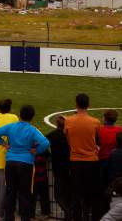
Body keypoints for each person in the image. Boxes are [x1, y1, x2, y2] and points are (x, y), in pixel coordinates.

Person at [0, 105, 50, 221]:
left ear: (20, 115)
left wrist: (4, 144)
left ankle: (9, 217)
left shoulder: (11, 126)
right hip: (26, 163)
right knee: (25, 193)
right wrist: (36, 151)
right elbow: (45, 143)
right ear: (32, 117)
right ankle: (24, 217)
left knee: (10, 191)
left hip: (10, 161)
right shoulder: (32, 129)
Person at [65, 93, 102, 221]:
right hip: (91, 161)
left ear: (76, 104)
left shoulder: (68, 120)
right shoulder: (95, 122)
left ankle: (77, 218)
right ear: (89, 105)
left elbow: (68, 139)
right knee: (92, 193)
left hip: (75, 160)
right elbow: (98, 141)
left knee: (76, 194)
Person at [46, 115, 71, 220]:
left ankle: (68, 213)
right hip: (70, 167)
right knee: (68, 193)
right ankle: (69, 213)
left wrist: (48, 156)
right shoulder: (70, 135)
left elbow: (41, 145)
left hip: (58, 168)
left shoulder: (52, 135)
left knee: (58, 195)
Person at [100, 110, 122, 188]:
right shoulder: (120, 129)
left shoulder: (100, 130)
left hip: (103, 160)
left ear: (105, 119)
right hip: (117, 160)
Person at [31, 151, 51, 221]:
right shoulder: (43, 147)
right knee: (40, 196)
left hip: (37, 176)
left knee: (40, 196)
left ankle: (34, 214)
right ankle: (43, 214)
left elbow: (48, 155)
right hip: (37, 176)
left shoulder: (42, 147)